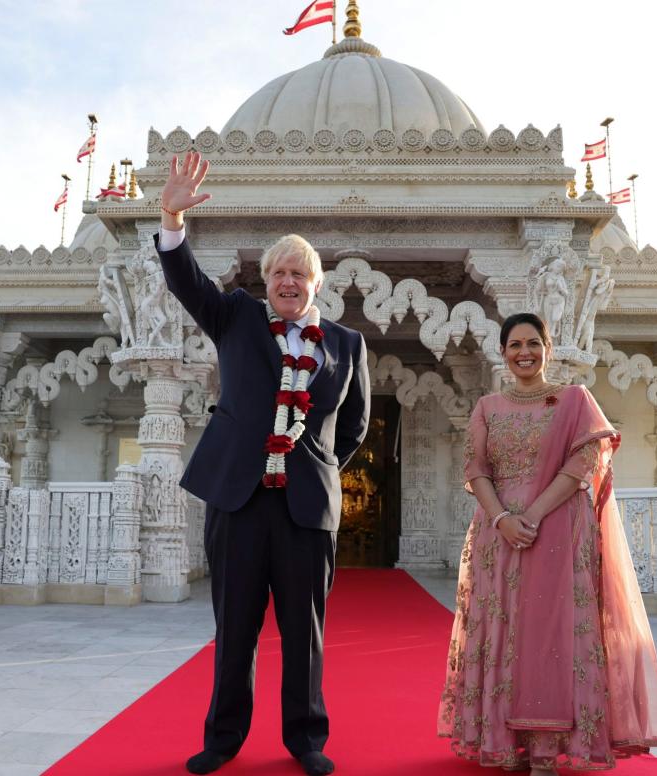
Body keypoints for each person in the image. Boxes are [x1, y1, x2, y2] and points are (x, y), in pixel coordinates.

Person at [155, 151, 370, 776]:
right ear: (265, 279)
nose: (287, 281)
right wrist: (172, 215)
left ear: (316, 283)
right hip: (237, 501)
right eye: (278, 271)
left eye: (299, 273)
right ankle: (223, 739)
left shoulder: (349, 346)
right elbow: (185, 280)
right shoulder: (235, 317)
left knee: (305, 634)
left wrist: (316, 465)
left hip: (305, 509)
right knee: (236, 628)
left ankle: (306, 741)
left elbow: (351, 427)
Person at [438, 312, 657, 772]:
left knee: (554, 631)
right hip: (499, 531)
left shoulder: (574, 400)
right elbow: (475, 470)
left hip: (556, 527)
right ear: (503, 352)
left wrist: (530, 514)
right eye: (514, 345)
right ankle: (506, 739)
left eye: (533, 343)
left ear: (548, 348)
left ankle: (548, 748)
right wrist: (503, 518)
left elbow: (584, 461)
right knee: (504, 629)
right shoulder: (488, 407)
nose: (524, 353)